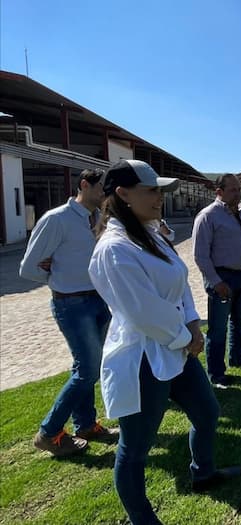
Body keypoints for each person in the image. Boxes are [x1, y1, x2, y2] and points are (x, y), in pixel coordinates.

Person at [89, 159, 241, 525]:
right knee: (135, 448)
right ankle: (142, 519)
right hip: (144, 357)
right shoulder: (114, 249)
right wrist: (185, 338)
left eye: (160, 190)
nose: (160, 197)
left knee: (207, 413)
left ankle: (202, 473)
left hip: (177, 346)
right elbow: (142, 312)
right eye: (152, 190)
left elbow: (179, 282)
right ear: (123, 194)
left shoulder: (151, 233)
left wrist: (192, 321)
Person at [19, 168, 118, 456]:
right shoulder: (56, 219)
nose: (104, 193)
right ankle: (49, 432)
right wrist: (59, 279)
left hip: (98, 300)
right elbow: (27, 268)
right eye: (101, 187)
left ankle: (86, 424)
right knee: (86, 370)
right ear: (84, 185)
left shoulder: (100, 220)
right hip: (71, 304)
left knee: (89, 368)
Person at [192, 174, 241, 387]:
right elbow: (200, 255)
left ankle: (239, 358)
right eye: (232, 189)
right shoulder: (208, 216)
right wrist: (215, 281)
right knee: (218, 329)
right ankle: (216, 374)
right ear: (219, 191)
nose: (237, 193)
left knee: (240, 321)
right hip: (221, 277)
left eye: (238, 189)